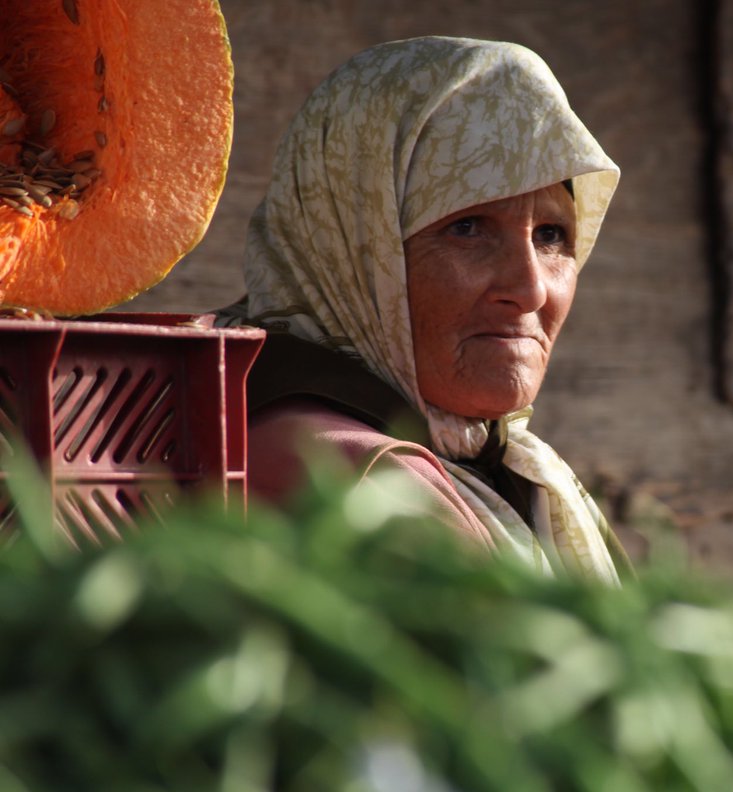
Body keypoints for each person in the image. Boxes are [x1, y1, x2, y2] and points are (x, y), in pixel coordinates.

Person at [219, 36, 632, 583]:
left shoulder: (494, 463)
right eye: (467, 228)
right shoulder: (353, 481)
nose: (530, 289)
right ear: (352, 249)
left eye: (552, 235)